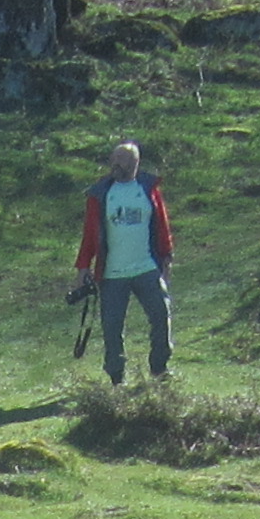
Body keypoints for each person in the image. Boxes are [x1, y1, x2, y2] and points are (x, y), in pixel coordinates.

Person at [72, 140, 174, 384]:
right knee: (112, 327)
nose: (115, 164)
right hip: (112, 274)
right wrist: (83, 267)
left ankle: (159, 369)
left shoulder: (148, 189)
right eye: (113, 159)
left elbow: (162, 224)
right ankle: (117, 377)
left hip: (146, 268)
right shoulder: (100, 194)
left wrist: (167, 257)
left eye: (121, 159)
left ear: (135, 163)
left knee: (161, 315)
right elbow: (90, 234)